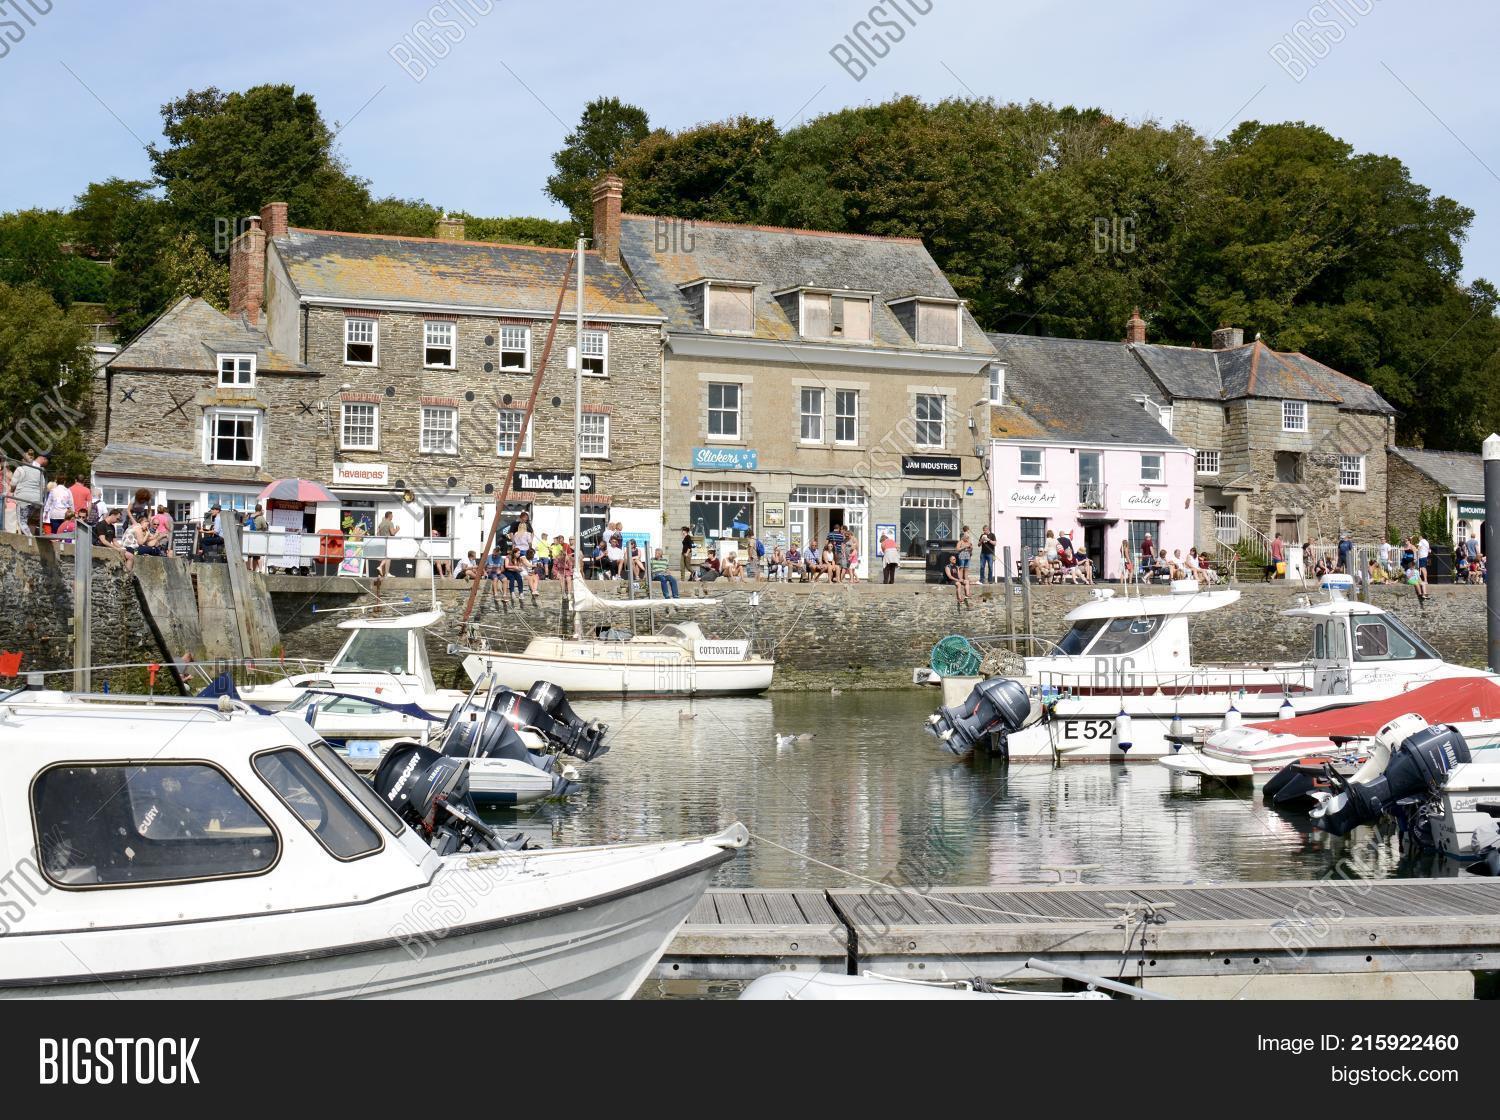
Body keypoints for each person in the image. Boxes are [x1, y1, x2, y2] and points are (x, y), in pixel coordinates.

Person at [8, 450, 47, 536]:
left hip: (24, 499)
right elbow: (43, 487)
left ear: (23, 460)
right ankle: (32, 538)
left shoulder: (20, 469)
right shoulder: (39, 471)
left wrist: (11, 491)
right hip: (37, 500)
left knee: (22, 521)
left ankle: (30, 538)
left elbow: (13, 484)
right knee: (32, 521)